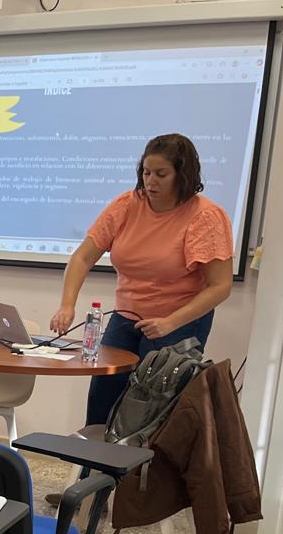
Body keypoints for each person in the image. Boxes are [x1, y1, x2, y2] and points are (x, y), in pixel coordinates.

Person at [52, 133, 234, 426]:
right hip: (126, 317)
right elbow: (83, 257)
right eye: (146, 173)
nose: (151, 182)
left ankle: (143, 473)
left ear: (183, 175)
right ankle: (93, 471)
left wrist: (171, 322)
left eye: (161, 174)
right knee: (103, 401)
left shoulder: (205, 216)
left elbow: (220, 286)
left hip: (178, 323)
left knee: (150, 415)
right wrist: (67, 305)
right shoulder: (127, 204)